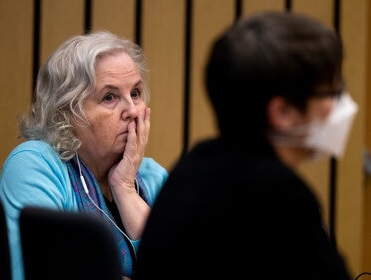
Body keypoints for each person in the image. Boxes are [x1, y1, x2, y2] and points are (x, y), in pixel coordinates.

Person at [134, 11, 357, 279]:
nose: (338, 106)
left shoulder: (195, 165)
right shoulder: (278, 193)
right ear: (282, 112)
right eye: (331, 93)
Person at [0, 30, 168, 280]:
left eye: (135, 93)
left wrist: (125, 188)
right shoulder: (35, 165)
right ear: (67, 113)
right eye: (109, 97)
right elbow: (42, 271)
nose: (132, 110)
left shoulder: (153, 176)